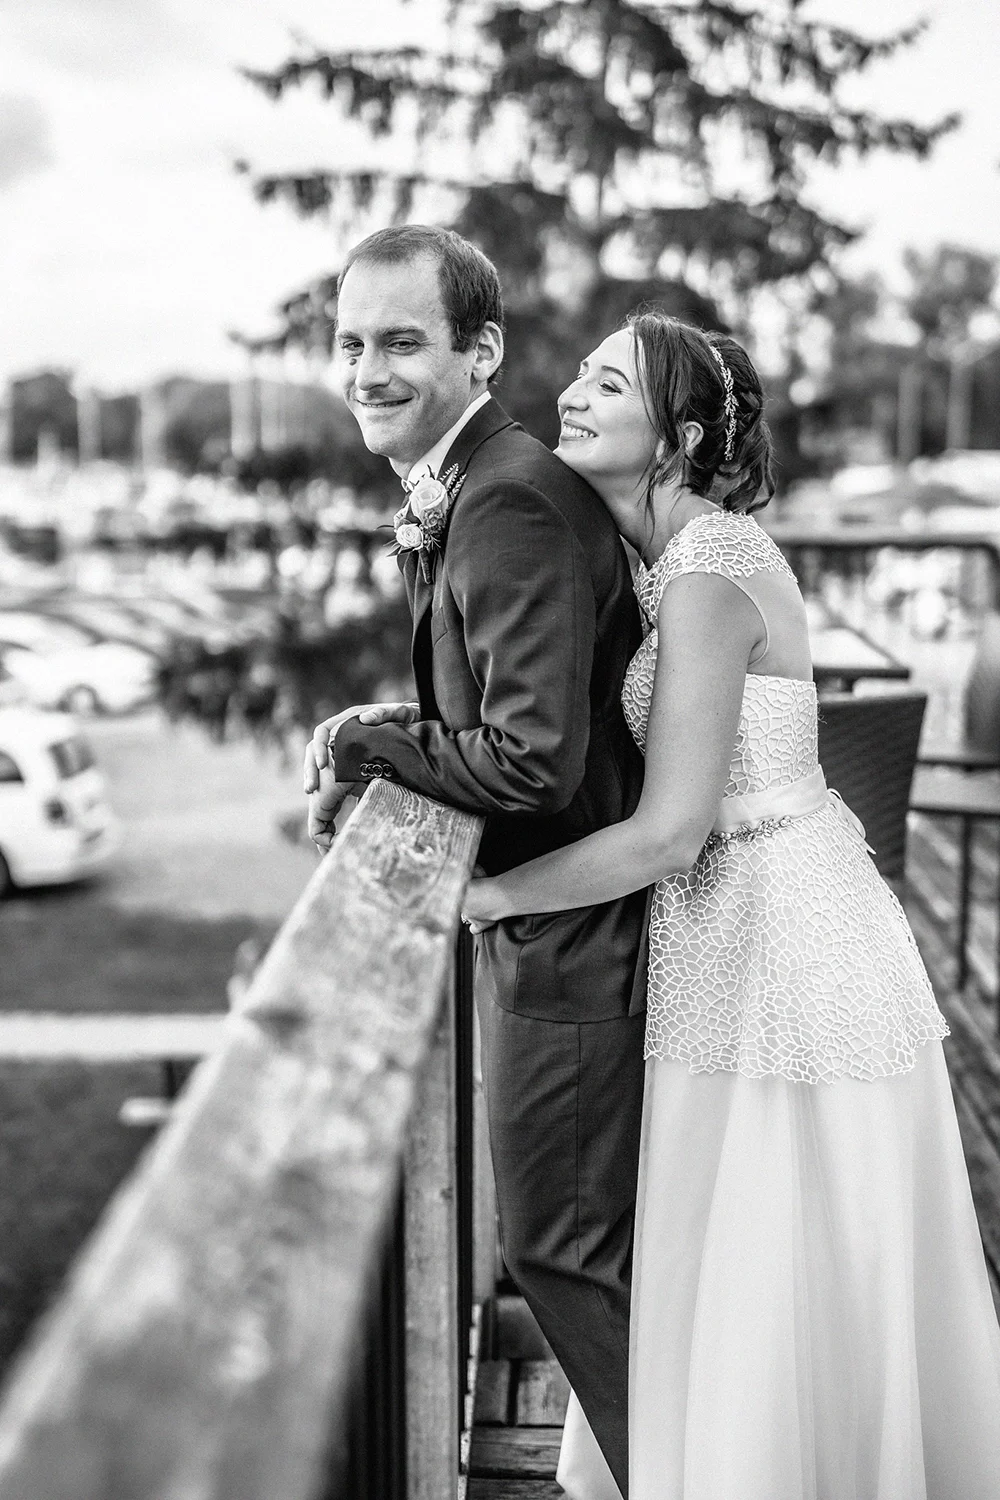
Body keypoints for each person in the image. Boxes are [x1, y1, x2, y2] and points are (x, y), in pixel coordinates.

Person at [461, 311, 1000, 1498]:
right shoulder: (666, 560)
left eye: (613, 384)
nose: (576, 395)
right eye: (583, 376)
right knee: (741, 1230)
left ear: (680, 433)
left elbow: (667, 832)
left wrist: (492, 894)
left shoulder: (707, 569)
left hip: (775, 932)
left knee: (776, 1234)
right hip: (730, 917)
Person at [303, 225, 649, 1494]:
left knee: (559, 1256)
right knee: (577, 1250)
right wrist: (378, 727)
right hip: (564, 935)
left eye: (400, 341)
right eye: (350, 342)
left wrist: (374, 757)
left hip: (570, 947)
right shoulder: (486, 477)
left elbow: (529, 762)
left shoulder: (501, 496)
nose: (366, 370)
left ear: (480, 351)